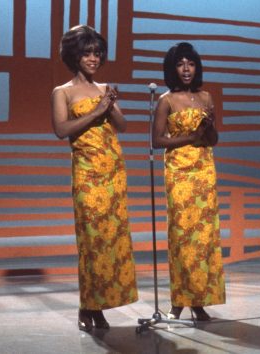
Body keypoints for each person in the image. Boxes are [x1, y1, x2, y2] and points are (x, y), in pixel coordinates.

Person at [51, 25, 138, 332]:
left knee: (112, 241)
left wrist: (110, 104)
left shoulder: (104, 88)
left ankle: (99, 304)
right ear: (74, 55)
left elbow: (123, 126)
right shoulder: (62, 92)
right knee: (92, 242)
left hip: (113, 170)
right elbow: (61, 130)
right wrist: (97, 110)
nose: (93, 59)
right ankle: (89, 307)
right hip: (87, 174)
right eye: (87, 53)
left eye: (97, 53)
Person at [152, 42, 225, 321]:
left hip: (204, 170)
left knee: (204, 238)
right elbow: (157, 140)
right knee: (183, 236)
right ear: (172, 69)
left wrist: (207, 129)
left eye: (190, 63)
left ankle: (198, 300)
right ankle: (178, 301)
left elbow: (214, 140)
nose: (186, 69)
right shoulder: (166, 100)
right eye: (180, 64)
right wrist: (190, 138)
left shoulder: (206, 98)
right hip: (179, 172)